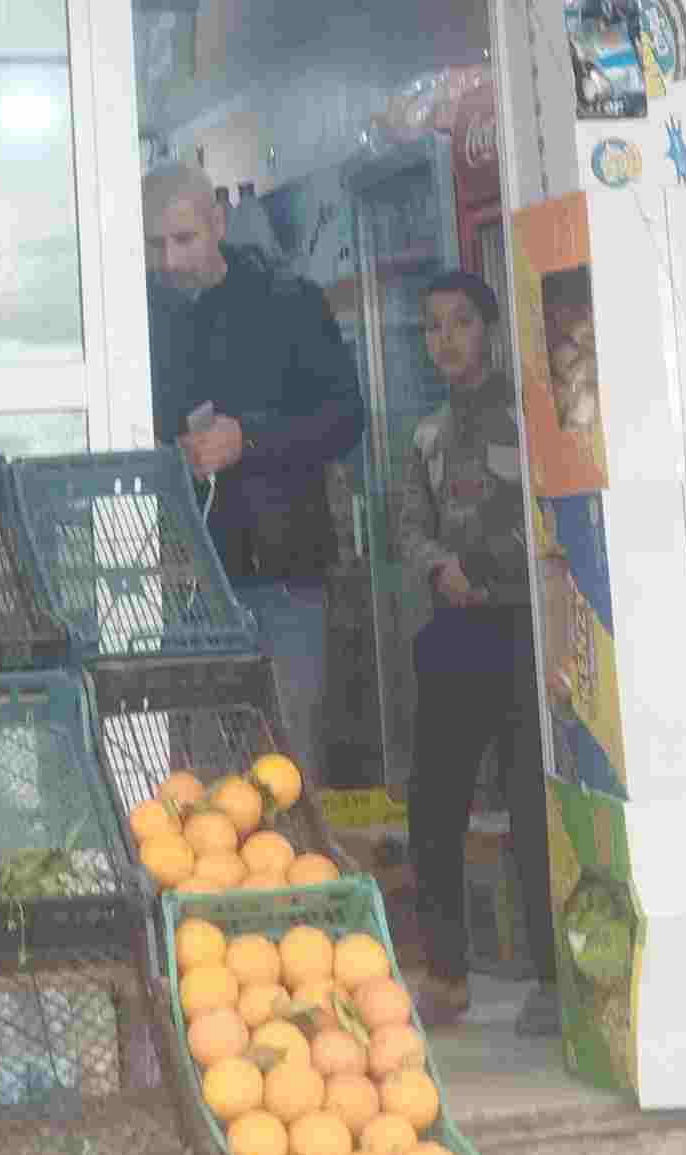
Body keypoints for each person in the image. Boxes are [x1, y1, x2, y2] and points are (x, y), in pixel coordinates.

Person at [143, 166, 364, 786]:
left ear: (217, 223)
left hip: (283, 575)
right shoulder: (137, 319)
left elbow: (346, 418)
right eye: (155, 245)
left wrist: (249, 439)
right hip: (182, 584)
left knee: (283, 772)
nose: (170, 260)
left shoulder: (288, 303)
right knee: (199, 782)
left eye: (183, 239)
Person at [398, 270, 558, 1037]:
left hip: (524, 628)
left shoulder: (532, 421)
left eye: (461, 322)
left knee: (533, 805)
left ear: (490, 331)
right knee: (434, 806)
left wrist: (485, 569)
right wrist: (440, 568)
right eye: (433, 327)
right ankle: (446, 979)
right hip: (454, 633)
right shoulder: (426, 435)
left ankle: (555, 982)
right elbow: (409, 527)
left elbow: (548, 514)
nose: (447, 339)